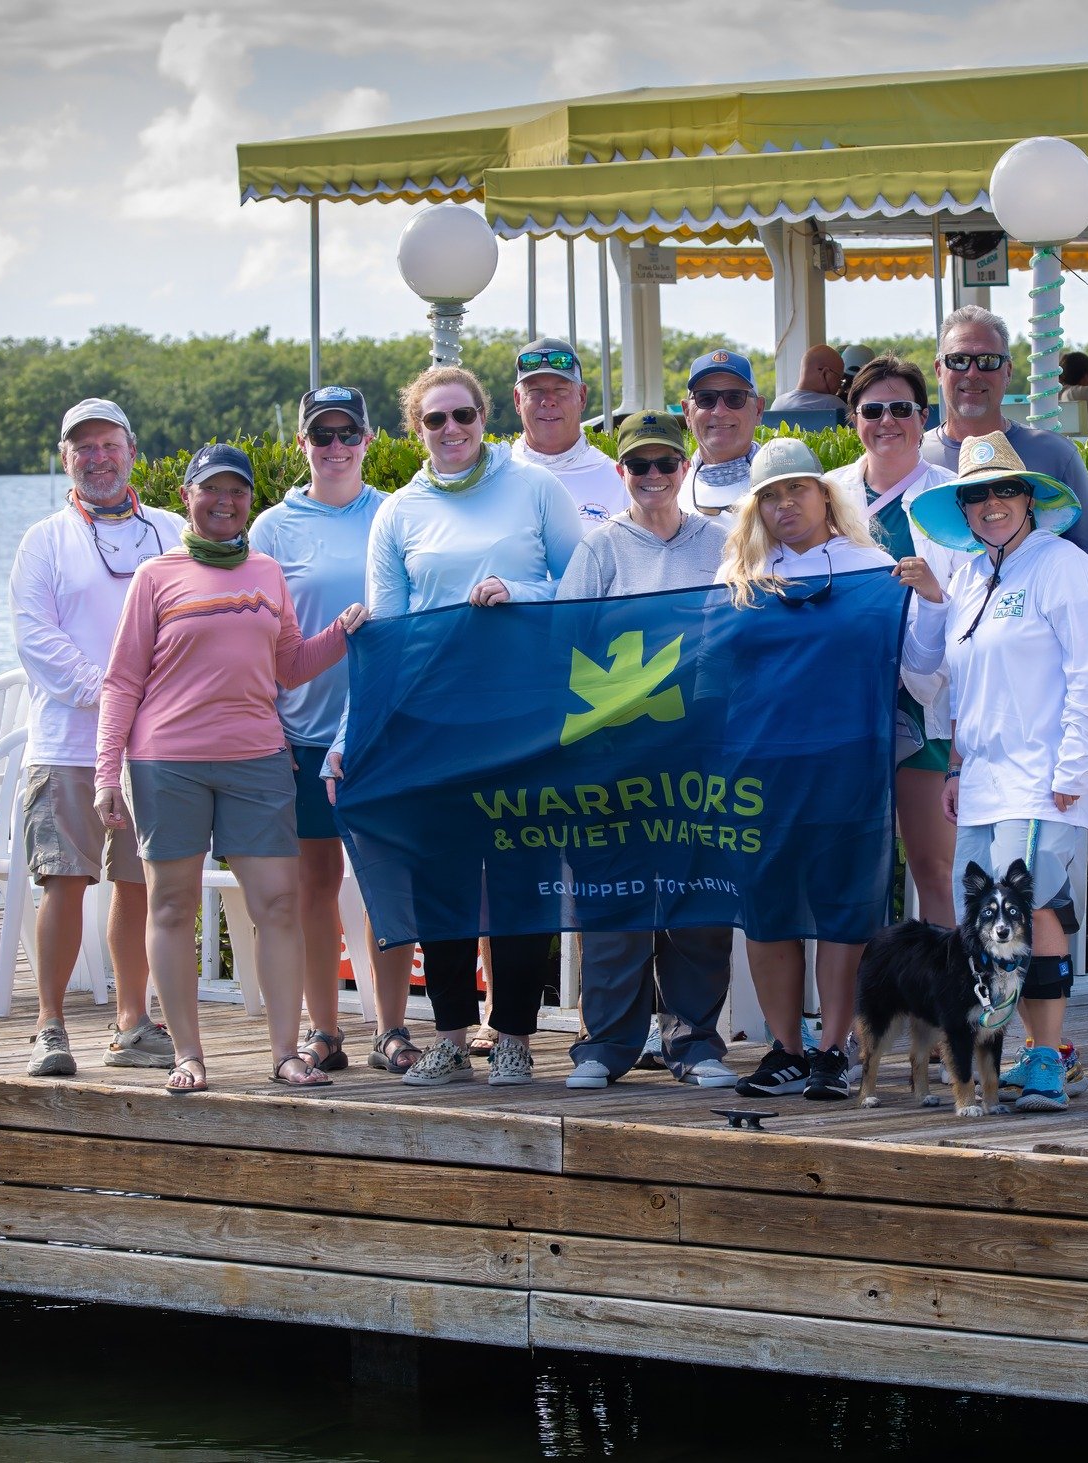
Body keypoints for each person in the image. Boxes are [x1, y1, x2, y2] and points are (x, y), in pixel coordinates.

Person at [95, 443, 366, 1093]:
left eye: (237, 490)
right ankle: (188, 1053)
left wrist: (345, 632)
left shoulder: (268, 572)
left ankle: (284, 1053)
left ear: (251, 499)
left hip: (258, 758)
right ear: (187, 497)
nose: (225, 500)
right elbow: (121, 681)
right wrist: (107, 775)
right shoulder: (156, 577)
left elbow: (291, 665)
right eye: (211, 489)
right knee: (172, 905)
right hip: (168, 763)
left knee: (277, 903)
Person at [345, 365, 585, 1087]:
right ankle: (449, 1037)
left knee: (521, 878)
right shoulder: (398, 512)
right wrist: (360, 726)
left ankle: (513, 1036)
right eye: (435, 420)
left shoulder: (536, 487)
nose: (451, 430)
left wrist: (523, 591)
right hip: (433, 724)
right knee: (441, 884)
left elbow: (581, 592)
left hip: (523, 719)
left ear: (485, 418)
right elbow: (388, 625)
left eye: (463, 416)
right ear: (416, 429)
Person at [902, 431, 1088, 1111]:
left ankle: (1048, 1058)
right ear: (962, 508)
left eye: (1005, 489)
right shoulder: (965, 577)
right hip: (985, 781)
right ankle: (1043, 1052)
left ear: (1029, 497)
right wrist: (956, 762)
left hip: (1044, 778)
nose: (992, 503)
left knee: (1032, 907)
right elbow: (946, 680)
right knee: (989, 919)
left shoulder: (1063, 565)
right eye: (977, 494)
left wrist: (1074, 769)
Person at [555, 411, 735, 1091]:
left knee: (696, 900)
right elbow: (562, 643)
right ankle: (606, 1044)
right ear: (622, 472)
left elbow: (739, 638)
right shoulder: (599, 549)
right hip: (614, 755)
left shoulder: (720, 543)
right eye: (638, 466)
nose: (653, 477)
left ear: (684, 467)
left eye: (665, 464)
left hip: (696, 751)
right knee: (614, 899)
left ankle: (693, 1042)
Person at [10, 398, 185, 1079]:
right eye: (82, 447)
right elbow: (37, 642)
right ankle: (49, 1026)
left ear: (132, 451)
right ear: (65, 460)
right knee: (64, 880)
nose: (97, 458)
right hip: (66, 745)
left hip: (154, 747)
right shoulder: (43, 541)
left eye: (108, 444)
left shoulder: (171, 530)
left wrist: (151, 705)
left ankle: (132, 1023)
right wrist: (115, 696)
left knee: (141, 884)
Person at [248, 386, 419, 1078]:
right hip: (304, 733)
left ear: (370, 440)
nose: (337, 447)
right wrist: (269, 724)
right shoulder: (272, 528)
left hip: (382, 732)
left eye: (350, 433)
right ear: (303, 445)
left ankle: (393, 1028)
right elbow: (252, 639)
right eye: (323, 435)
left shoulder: (396, 513)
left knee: (382, 882)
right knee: (312, 886)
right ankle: (324, 1029)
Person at [715, 438, 893, 1101]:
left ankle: (832, 1048)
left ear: (825, 493)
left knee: (845, 908)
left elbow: (924, 660)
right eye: (770, 494)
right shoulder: (737, 574)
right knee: (766, 910)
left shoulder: (871, 566)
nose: (785, 503)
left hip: (849, 762)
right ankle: (783, 1050)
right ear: (755, 508)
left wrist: (928, 598)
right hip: (755, 769)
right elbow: (706, 671)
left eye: (797, 488)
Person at [824, 356, 967, 931]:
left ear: (922, 416)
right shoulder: (825, 494)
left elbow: (973, 599)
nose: (888, 421)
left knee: (935, 865)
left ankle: (951, 1013)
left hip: (927, 701)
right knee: (854, 867)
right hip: (843, 707)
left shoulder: (953, 498)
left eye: (901, 409)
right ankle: (863, 1015)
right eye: (873, 409)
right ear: (854, 419)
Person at [920, 305, 1088, 571]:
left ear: (1008, 371)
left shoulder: (1055, 454)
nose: (972, 373)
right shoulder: (915, 458)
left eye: (988, 361)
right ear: (939, 370)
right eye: (958, 360)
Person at [508, 336, 630, 532]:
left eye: (560, 390)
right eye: (536, 391)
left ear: (582, 397)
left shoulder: (618, 480)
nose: (548, 401)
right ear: (517, 400)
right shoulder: (493, 477)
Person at [678, 349, 763, 518]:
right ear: (687, 413)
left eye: (735, 397)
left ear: (758, 410)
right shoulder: (669, 489)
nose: (719, 411)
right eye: (705, 398)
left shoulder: (783, 483)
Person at [768, 344, 850, 417]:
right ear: (825, 373)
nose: (840, 385)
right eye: (839, 378)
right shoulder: (833, 404)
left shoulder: (777, 404)